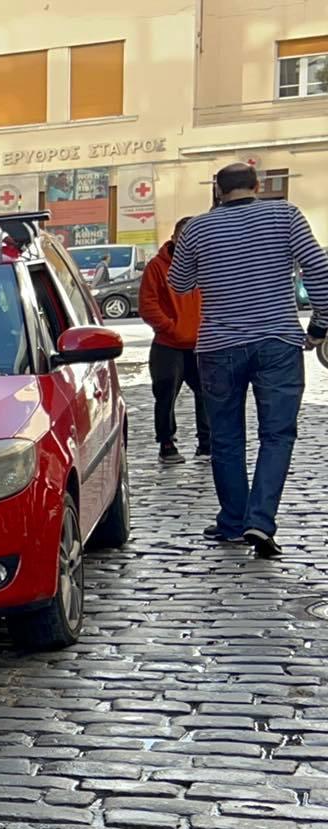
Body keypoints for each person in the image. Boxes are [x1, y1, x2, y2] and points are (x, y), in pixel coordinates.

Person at [167, 162, 328, 558]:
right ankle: (260, 521)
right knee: (277, 435)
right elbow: (319, 267)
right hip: (277, 341)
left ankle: (232, 522)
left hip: (219, 345)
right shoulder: (285, 214)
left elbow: (179, 283)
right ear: (257, 186)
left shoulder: (198, 229)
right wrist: (320, 325)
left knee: (226, 437)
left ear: (218, 191)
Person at [141, 217, 206, 463]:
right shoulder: (157, 267)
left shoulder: (206, 263)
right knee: (166, 395)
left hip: (202, 343)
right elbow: (148, 305)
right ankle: (166, 443)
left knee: (208, 394)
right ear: (176, 237)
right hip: (168, 345)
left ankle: (207, 444)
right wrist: (170, 328)